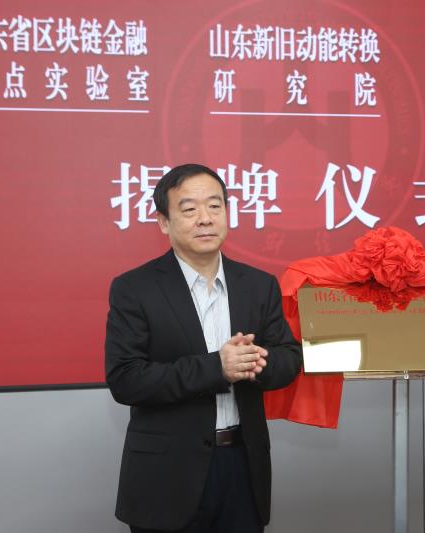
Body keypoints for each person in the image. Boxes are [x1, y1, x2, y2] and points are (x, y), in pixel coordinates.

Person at [105, 163, 302, 533]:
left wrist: (256, 361)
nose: (205, 219)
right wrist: (218, 368)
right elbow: (126, 379)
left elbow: (289, 358)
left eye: (215, 206)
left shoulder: (258, 285)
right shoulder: (135, 288)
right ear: (164, 222)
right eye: (189, 209)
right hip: (167, 475)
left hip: (243, 467)